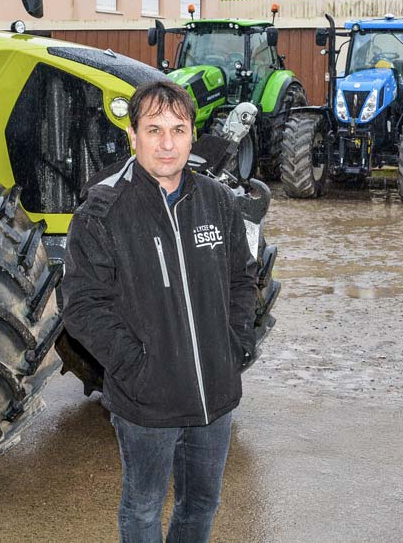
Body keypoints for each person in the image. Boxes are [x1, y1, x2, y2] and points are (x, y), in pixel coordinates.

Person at [62, 79, 258, 543]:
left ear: (193, 134)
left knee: (202, 503)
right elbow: (82, 306)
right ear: (132, 136)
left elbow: (242, 278)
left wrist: (236, 346)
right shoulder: (103, 210)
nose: (167, 143)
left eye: (178, 129)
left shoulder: (217, 201)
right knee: (144, 507)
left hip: (214, 396)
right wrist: (138, 367)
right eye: (153, 130)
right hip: (147, 404)